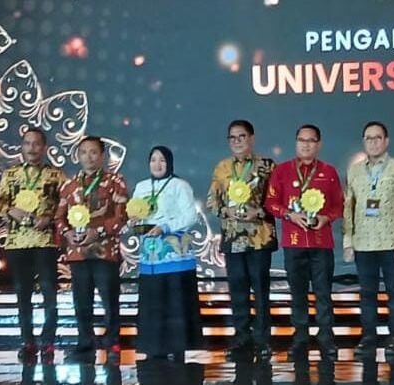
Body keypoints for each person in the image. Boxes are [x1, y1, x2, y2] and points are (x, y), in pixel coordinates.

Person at [265, 124, 344, 361]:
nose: (306, 145)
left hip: (321, 243)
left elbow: (339, 205)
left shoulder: (329, 171)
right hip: (294, 243)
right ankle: (300, 339)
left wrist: (326, 218)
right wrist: (289, 214)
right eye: (302, 140)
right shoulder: (282, 171)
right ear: (296, 142)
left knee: (323, 293)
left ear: (319, 144)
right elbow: (270, 202)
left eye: (311, 140)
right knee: (297, 293)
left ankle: (326, 338)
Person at [206, 119, 277, 361]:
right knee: (238, 291)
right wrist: (225, 210)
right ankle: (241, 338)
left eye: (242, 136)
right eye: (232, 138)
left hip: (259, 238)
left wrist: (260, 212)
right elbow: (212, 201)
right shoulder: (222, 168)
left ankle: (263, 341)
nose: (237, 142)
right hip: (233, 238)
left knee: (261, 290)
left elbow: (277, 200)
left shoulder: (267, 166)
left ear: (251, 139)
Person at [343, 121, 394, 360]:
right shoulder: (354, 171)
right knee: (367, 294)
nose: (373, 142)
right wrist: (348, 242)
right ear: (364, 142)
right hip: (363, 243)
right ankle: (368, 338)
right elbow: (348, 208)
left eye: (377, 138)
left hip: (392, 243)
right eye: (368, 138)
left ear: (386, 141)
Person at [0, 128, 67, 363]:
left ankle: (48, 342)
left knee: (49, 292)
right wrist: (10, 211)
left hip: (45, 241)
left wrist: (51, 218)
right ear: (22, 147)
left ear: (44, 147)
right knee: (22, 294)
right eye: (27, 143)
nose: (32, 148)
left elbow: (66, 204)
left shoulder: (56, 175)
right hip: (17, 242)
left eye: (36, 144)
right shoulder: (10, 175)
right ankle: (27, 341)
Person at [55, 136, 128, 363]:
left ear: (102, 156)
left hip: (104, 251)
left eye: (94, 152)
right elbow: (59, 218)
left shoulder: (115, 181)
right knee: (81, 300)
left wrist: (99, 232)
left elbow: (122, 216)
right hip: (77, 252)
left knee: (109, 298)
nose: (89, 157)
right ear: (77, 156)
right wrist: (67, 233)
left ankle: (113, 340)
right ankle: (85, 342)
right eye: (84, 152)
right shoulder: (69, 185)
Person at [128, 146, 203, 361]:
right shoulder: (142, 187)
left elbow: (190, 217)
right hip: (150, 257)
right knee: (152, 301)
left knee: (175, 301)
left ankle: (177, 347)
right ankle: (153, 347)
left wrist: (165, 227)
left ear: (169, 163)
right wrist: (133, 220)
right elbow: (135, 214)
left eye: (162, 160)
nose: (157, 164)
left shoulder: (180, 185)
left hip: (175, 256)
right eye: (153, 160)